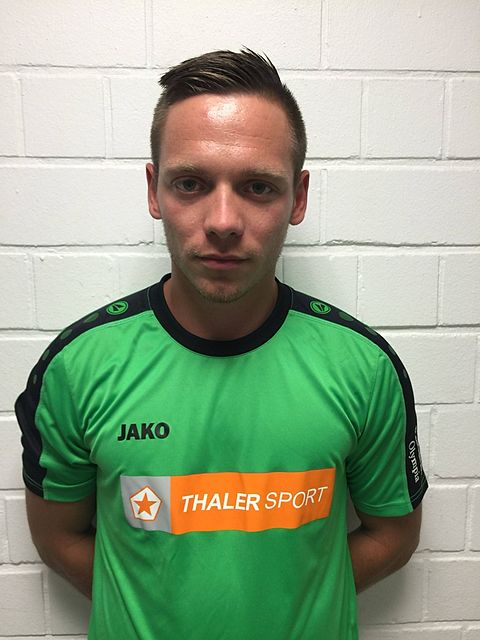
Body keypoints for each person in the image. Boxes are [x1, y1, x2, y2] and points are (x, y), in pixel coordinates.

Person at [16, 49, 427, 639]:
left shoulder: (364, 367)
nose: (224, 221)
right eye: (191, 184)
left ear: (298, 198)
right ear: (155, 191)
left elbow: (393, 536)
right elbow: (59, 538)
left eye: (258, 187)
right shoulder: (77, 368)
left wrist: (289, 601)